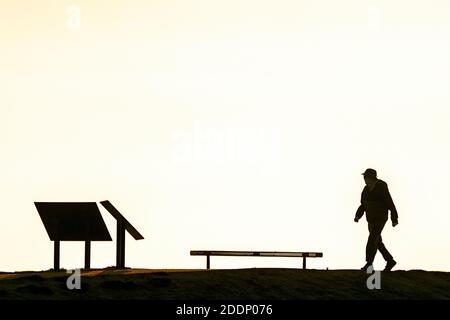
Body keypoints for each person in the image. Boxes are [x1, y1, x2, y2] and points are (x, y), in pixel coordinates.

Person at [354, 168, 398, 272]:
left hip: (380, 218)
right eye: (364, 177)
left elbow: (389, 202)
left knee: (372, 239)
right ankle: (390, 260)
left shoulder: (381, 188)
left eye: (366, 177)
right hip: (370, 219)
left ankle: (369, 264)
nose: (364, 179)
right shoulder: (365, 190)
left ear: (371, 178)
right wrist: (357, 216)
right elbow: (363, 205)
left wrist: (394, 217)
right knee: (377, 242)